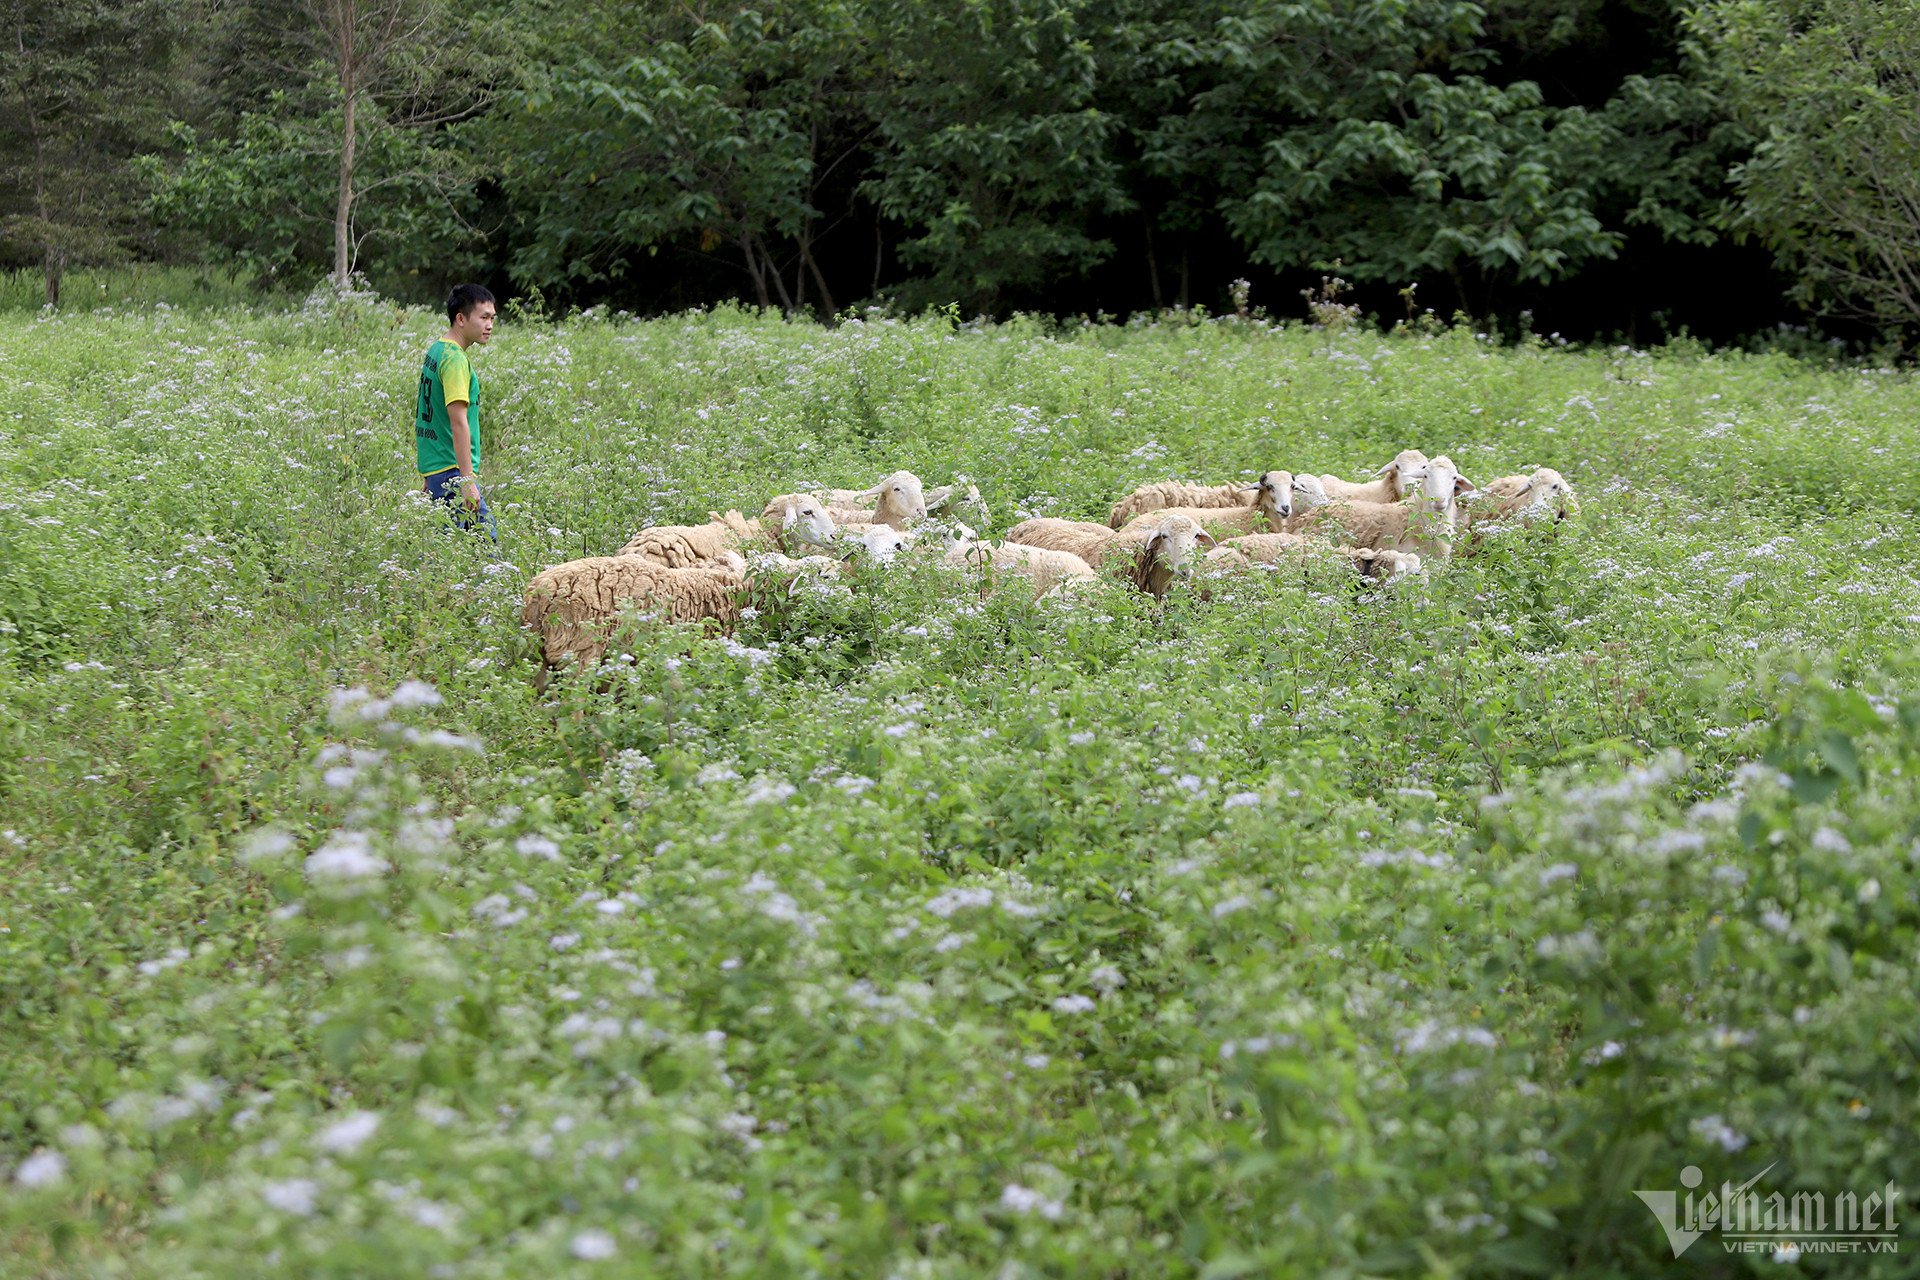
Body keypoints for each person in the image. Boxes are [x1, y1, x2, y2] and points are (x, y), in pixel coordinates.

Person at [415, 284, 497, 542]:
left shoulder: (437, 350)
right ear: (460, 319)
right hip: (453, 473)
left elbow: (429, 415)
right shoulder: (454, 360)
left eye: (492, 318)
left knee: (449, 555)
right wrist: (467, 481)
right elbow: (458, 423)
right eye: (483, 317)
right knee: (488, 550)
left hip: (441, 471)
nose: (490, 325)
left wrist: (431, 473)